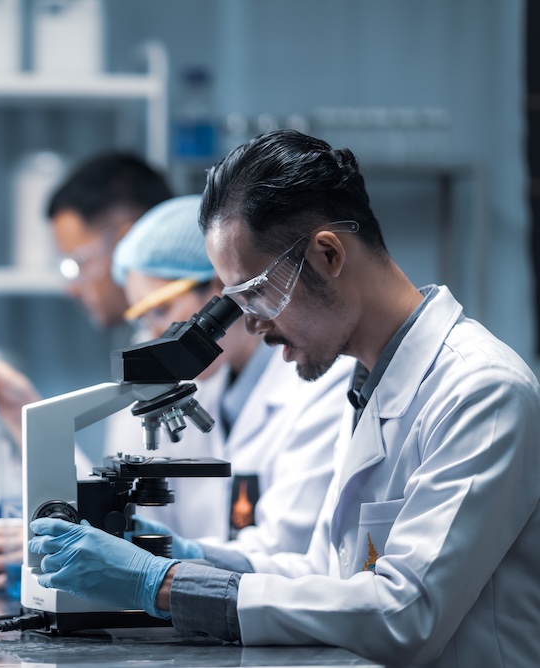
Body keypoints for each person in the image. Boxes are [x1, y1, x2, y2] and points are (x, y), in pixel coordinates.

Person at [28, 129, 540, 666]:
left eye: (255, 294)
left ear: (327, 254)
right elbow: (323, 575)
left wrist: (160, 583)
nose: (250, 325)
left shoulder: (481, 391)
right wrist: (187, 556)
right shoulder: (371, 384)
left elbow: (404, 612)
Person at [0, 152, 172, 593]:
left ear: (127, 242)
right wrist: (22, 412)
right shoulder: (142, 346)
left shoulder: (187, 355)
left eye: (76, 263)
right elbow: (113, 507)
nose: (70, 285)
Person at [108, 194, 351, 552]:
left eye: (160, 311)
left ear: (222, 289)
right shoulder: (203, 387)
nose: (153, 337)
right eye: (143, 320)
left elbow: (284, 551)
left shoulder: (322, 383)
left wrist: (158, 560)